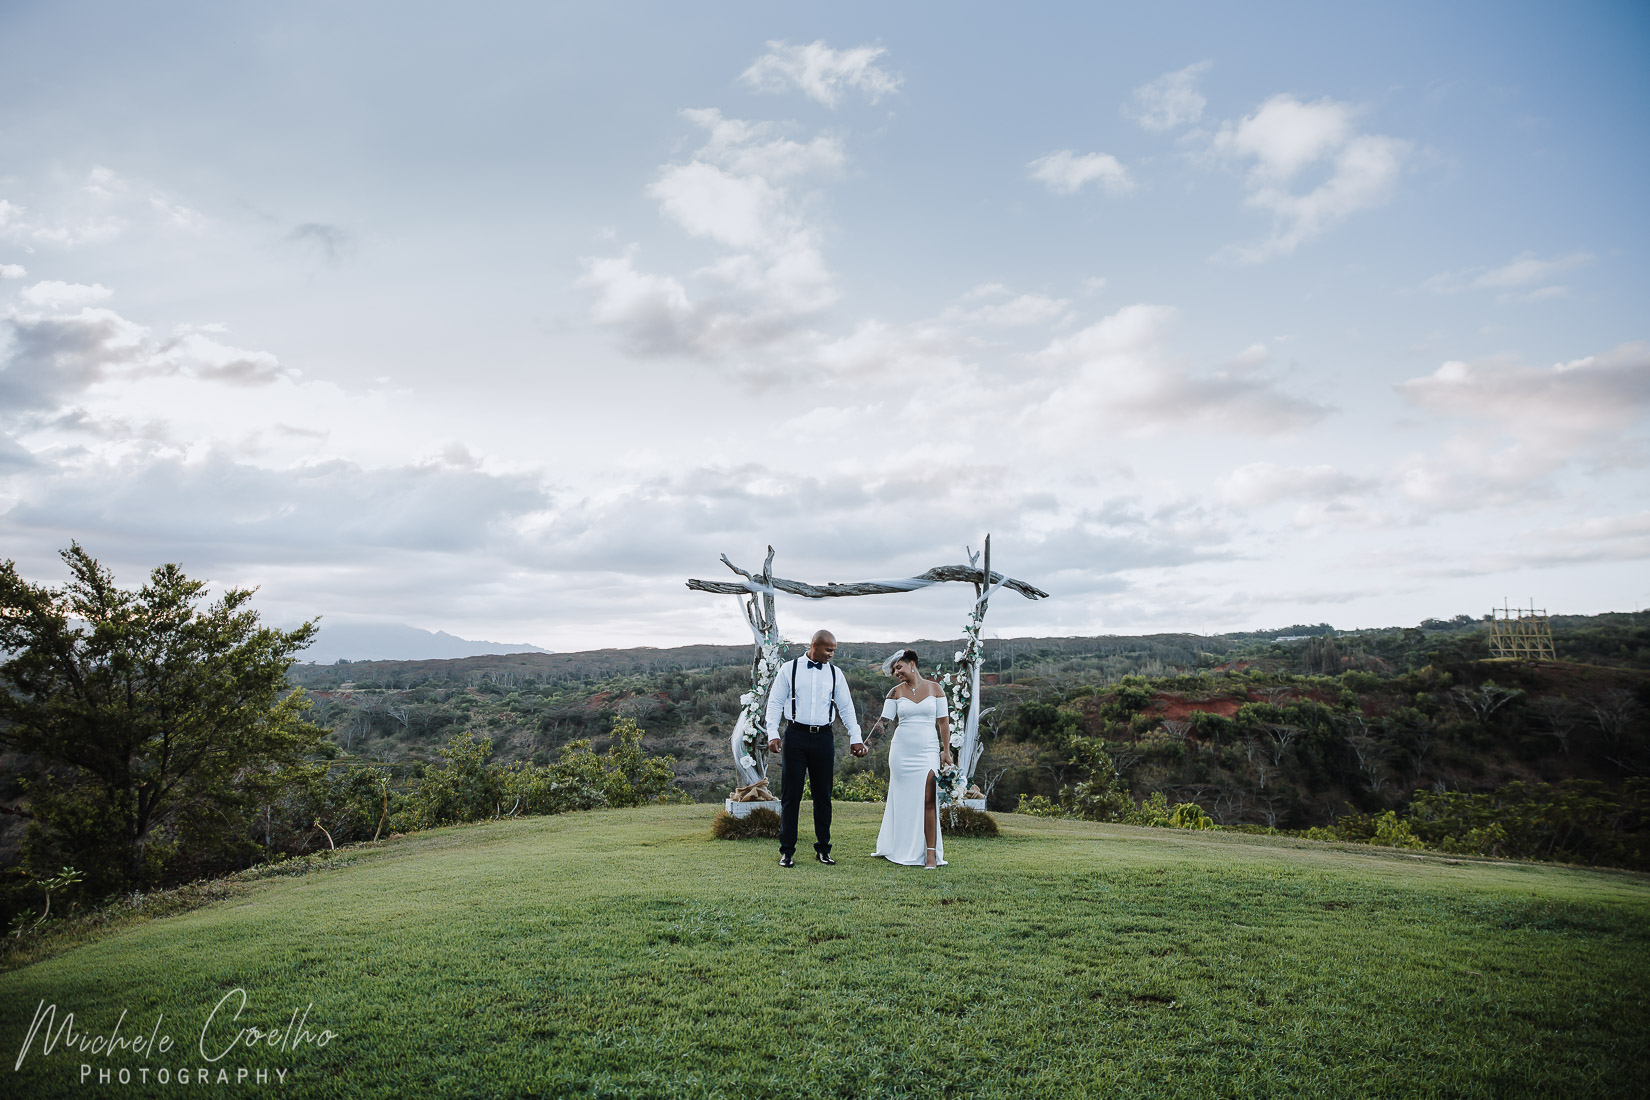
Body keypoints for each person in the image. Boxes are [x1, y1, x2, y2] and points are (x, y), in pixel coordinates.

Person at [766, 629, 867, 868]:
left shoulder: (835, 673)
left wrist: (856, 737)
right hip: (795, 736)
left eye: (834, 650)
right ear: (814, 645)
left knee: (823, 796)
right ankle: (787, 851)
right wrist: (772, 734)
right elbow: (775, 702)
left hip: (823, 737)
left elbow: (846, 707)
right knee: (792, 796)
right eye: (828, 649)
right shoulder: (789, 669)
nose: (832, 654)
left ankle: (823, 849)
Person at [868, 649, 952, 869]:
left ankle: (931, 853)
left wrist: (946, 751)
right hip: (901, 752)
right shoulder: (894, 693)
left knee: (929, 798)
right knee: (904, 801)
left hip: (927, 751)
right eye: (894, 670)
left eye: (899, 668)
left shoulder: (936, 689)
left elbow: (943, 722)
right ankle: (903, 847)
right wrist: (865, 746)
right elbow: (883, 723)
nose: (896, 673)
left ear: (912, 664)